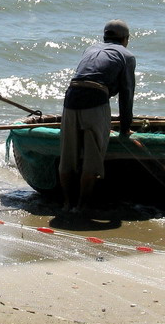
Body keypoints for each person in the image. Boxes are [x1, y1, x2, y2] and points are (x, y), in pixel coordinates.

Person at [58, 19, 136, 212]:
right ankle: (83, 206)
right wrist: (125, 128)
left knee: (68, 156)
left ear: (104, 36)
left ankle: (67, 204)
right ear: (126, 39)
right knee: (93, 158)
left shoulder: (90, 49)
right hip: (95, 100)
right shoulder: (127, 55)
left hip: (71, 97)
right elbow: (127, 93)